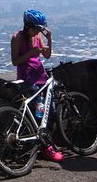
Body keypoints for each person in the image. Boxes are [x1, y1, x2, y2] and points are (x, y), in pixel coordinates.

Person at [10, 9, 64, 162]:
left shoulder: (38, 36)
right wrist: (31, 53)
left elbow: (46, 55)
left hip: (41, 76)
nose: (37, 31)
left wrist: (49, 40)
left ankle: (45, 143)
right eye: (35, 28)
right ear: (28, 26)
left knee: (50, 111)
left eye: (39, 29)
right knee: (39, 112)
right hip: (28, 79)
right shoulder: (17, 38)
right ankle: (44, 147)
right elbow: (15, 61)